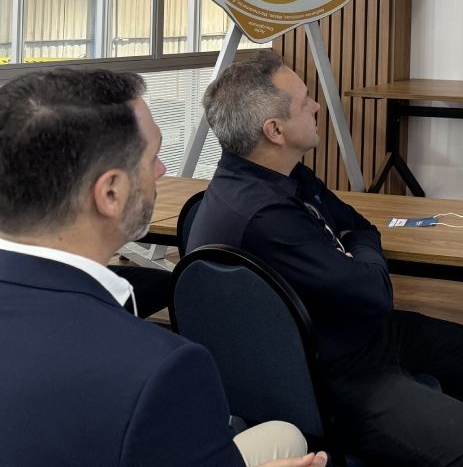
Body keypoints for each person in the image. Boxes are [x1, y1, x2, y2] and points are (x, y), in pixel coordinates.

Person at [0, 67, 325, 467]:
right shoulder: (163, 369)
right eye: (152, 156)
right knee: (286, 436)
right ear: (111, 193)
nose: (162, 170)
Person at [190, 50, 463, 467]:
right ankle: (373, 433)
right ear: (275, 130)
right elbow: (375, 290)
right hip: (328, 372)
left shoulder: (277, 175)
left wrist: (358, 247)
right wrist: (357, 249)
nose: (317, 106)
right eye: (305, 102)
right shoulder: (267, 216)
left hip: (347, 331)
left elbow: (359, 226)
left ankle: (404, 423)